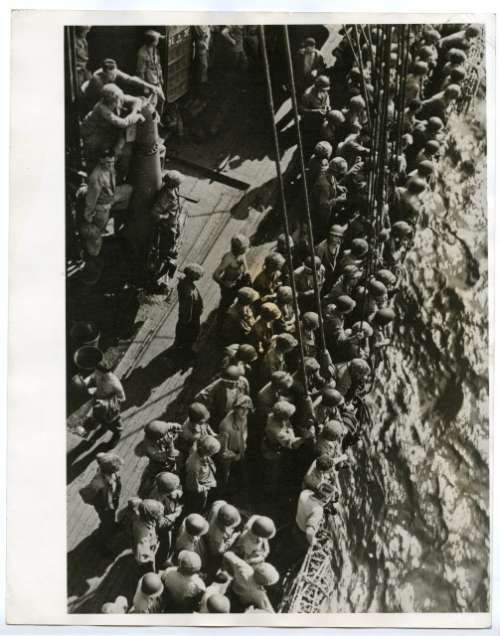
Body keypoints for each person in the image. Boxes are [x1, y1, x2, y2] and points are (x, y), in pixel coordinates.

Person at [80, 149, 133, 255]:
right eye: (108, 162)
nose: (110, 165)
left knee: (128, 189)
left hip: (108, 199)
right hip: (101, 208)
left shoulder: (108, 169)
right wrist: (88, 218)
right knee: (97, 234)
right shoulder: (96, 178)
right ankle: (93, 253)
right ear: (101, 161)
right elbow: (91, 201)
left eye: (112, 162)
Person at [80, 83, 145, 169]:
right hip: (93, 132)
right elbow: (123, 123)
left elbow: (138, 100)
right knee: (96, 154)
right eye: (117, 100)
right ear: (111, 101)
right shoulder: (102, 109)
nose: (120, 102)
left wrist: (135, 112)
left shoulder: (118, 97)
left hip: (105, 128)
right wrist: (136, 117)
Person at [147, 170, 185, 292]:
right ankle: (156, 273)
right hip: (166, 228)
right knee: (165, 249)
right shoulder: (166, 197)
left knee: (172, 243)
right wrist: (166, 216)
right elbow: (154, 214)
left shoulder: (172, 191)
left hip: (173, 223)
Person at [78, 452, 123, 551]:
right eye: (116, 468)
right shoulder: (97, 483)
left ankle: (111, 524)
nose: (118, 469)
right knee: (106, 524)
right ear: (109, 469)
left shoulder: (109, 472)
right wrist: (99, 504)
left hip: (112, 502)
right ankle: (103, 545)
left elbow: (100, 456)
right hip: (105, 507)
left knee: (110, 518)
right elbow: (86, 494)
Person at [85, 57, 161, 111]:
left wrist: (150, 86)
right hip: (94, 104)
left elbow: (130, 79)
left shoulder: (113, 71)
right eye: (111, 75)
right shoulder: (97, 80)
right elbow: (106, 99)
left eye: (115, 73)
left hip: (108, 99)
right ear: (104, 72)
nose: (114, 76)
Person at [196, 365, 250, 432]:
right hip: (220, 415)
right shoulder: (218, 385)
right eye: (225, 382)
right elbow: (202, 396)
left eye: (230, 383)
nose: (227, 384)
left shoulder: (244, 383)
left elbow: (246, 396)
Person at [213, 234, 251, 329]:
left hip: (238, 281)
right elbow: (215, 275)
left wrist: (246, 273)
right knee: (225, 303)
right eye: (243, 249)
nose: (244, 251)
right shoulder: (228, 258)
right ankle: (219, 323)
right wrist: (224, 284)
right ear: (237, 249)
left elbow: (245, 266)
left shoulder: (241, 254)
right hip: (229, 285)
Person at [218, 395, 254, 492]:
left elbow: (244, 431)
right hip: (229, 458)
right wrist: (235, 456)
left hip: (240, 451)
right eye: (242, 408)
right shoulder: (225, 426)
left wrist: (243, 447)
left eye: (247, 409)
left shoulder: (243, 417)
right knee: (225, 477)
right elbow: (223, 452)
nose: (245, 412)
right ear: (235, 408)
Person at [137, 420, 181, 498]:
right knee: (151, 480)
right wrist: (171, 444)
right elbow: (167, 455)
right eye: (163, 435)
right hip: (158, 465)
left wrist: (175, 426)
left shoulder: (160, 430)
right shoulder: (149, 448)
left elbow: (168, 426)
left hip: (167, 458)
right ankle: (145, 494)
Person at [148, 472, 184, 564]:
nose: (177, 487)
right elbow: (160, 523)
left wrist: (175, 493)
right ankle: (163, 560)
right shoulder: (157, 504)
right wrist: (175, 514)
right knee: (167, 543)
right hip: (163, 528)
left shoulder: (160, 484)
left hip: (168, 508)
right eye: (175, 487)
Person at [84, 359, 126, 434]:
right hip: (99, 403)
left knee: (113, 421)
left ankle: (117, 431)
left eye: (97, 371)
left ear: (102, 372)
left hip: (108, 406)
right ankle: (104, 426)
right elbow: (93, 379)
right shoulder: (99, 374)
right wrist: (86, 382)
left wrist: (106, 402)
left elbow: (122, 398)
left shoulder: (114, 383)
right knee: (101, 419)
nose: (95, 372)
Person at [184, 435, 221, 513]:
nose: (212, 455)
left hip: (205, 484)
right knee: (197, 508)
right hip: (198, 492)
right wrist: (205, 488)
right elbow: (191, 485)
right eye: (211, 453)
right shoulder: (194, 465)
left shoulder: (202, 454)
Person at [174, 264, 205, 352]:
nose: (199, 278)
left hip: (193, 315)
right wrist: (187, 319)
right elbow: (187, 308)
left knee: (190, 332)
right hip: (190, 317)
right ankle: (181, 347)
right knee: (189, 332)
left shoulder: (187, 283)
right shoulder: (188, 291)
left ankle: (182, 344)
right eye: (198, 276)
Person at [128, 497, 164, 571]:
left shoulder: (142, 516)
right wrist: (154, 551)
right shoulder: (143, 536)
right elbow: (141, 560)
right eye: (156, 514)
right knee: (149, 572)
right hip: (147, 557)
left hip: (148, 544)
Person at [136, 30, 166, 117]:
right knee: (151, 105)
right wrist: (145, 87)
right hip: (150, 83)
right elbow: (141, 72)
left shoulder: (154, 49)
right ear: (152, 42)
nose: (158, 41)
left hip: (157, 81)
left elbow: (158, 65)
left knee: (162, 99)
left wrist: (161, 78)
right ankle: (153, 120)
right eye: (157, 39)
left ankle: (158, 118)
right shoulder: (142, 53)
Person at [315, 224, 346, 292]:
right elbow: (318, 265)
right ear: (329, 235)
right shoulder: (321, 247)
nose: (335, 238)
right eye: (333, 235)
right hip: (323, 275)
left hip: (332, 274)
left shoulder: (338, 244)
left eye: (337, 236)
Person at [192, 26, 212, 93]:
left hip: (205, 43)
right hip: (202, 44)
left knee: (205, 65)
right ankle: (201, 87)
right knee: (203, 66)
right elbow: (203, 31)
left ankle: (203, 82)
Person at [74, 26, 91, 91]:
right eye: (85, 31)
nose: (86, 33)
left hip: (84, 66)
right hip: (79, 67)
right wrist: (87, 59)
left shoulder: (83, 39)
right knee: (80, 87)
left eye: (88, 31)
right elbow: (80, 54)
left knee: (90, 83)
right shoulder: (75, 40)